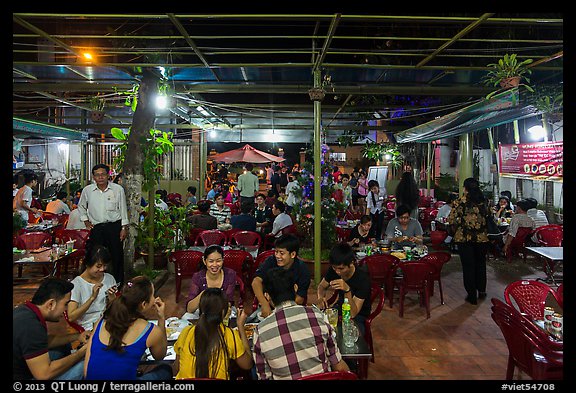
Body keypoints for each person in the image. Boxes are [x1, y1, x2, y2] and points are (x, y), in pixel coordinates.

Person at [252, 267, 349, 380]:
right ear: (295, 288)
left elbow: (264, 377)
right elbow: (338, 365)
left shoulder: (261, 331)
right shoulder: (317, 317)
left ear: (267, 296)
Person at [83, 276, 173, 380]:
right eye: (153, 295)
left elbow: (86, 370)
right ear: (143, 304)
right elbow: (160, 356)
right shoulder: (150, 330)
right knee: (165, 370)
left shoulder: (101, 322)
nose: (155, 298)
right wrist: (161, 317)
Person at [13, 277, 90, 380]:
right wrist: (81, 353)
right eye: (65, 304)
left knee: (63, 345)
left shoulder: (26, 310)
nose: (66, 310)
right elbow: (43, 375)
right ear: (51, 304)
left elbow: (43, 341)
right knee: (82, 367)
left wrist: (77, 336)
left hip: (26, 366)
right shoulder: (31, 327)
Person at [174, 288, 253, 379]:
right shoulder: (229, 334)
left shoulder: (186, 332)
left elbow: (177, 368)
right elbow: (247, 365)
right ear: (223, 312)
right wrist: (241, 327)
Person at [77, 163, 129, 284]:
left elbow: (123, 209)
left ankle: (118, 283)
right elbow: (81, 206)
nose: (100, 177)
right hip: (97, 228)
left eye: (103, 174)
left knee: (116, 255)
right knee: (96, 256)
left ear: (108, 176)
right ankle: (96, 282)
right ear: (93, 177)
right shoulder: (88, 191)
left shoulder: (117, 189)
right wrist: (85, 221)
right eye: (97, 175)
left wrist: (124, 228)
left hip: (114, 227)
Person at [447, 177, 490, 305]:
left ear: (465, 188)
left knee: (468, 267)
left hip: (464, 238)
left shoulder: (460, 202)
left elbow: (452, 220)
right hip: (482, 238)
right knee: (481, 264)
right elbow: (489, 216)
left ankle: (471, 295)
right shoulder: (484, 201)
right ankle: (482, 291)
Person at [316, 242, 371, 336]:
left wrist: (347, 290)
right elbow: (321, 286)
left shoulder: (363, 279)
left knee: (348, 337)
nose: (337, 272)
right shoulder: (334, 270)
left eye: (341, 269)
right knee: (318, 326)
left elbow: (352, 314)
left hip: (359, 315)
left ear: (351, 263)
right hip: (339, 307)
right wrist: (320, 297)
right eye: (334, 268)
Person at [251, 234, 311, 318]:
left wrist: (275, 306)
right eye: (276, 252)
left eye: (281, 253)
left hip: (292, 310)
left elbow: (299, 299)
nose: (277, 256)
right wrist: (264, 304)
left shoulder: (302, 269)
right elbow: (256, 281)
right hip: (269, 306)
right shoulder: (270, 261)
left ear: (293, 254)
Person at [186, 245, 238, 315]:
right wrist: (204, 294)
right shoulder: (198, 277)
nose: (215, 265)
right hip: (202, 312)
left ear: (223, 260)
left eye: (218, 261)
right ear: (205, 261)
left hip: (223, 311)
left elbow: (228, 302)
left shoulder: (230, 274)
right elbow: (189, 309)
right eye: (211, 261)